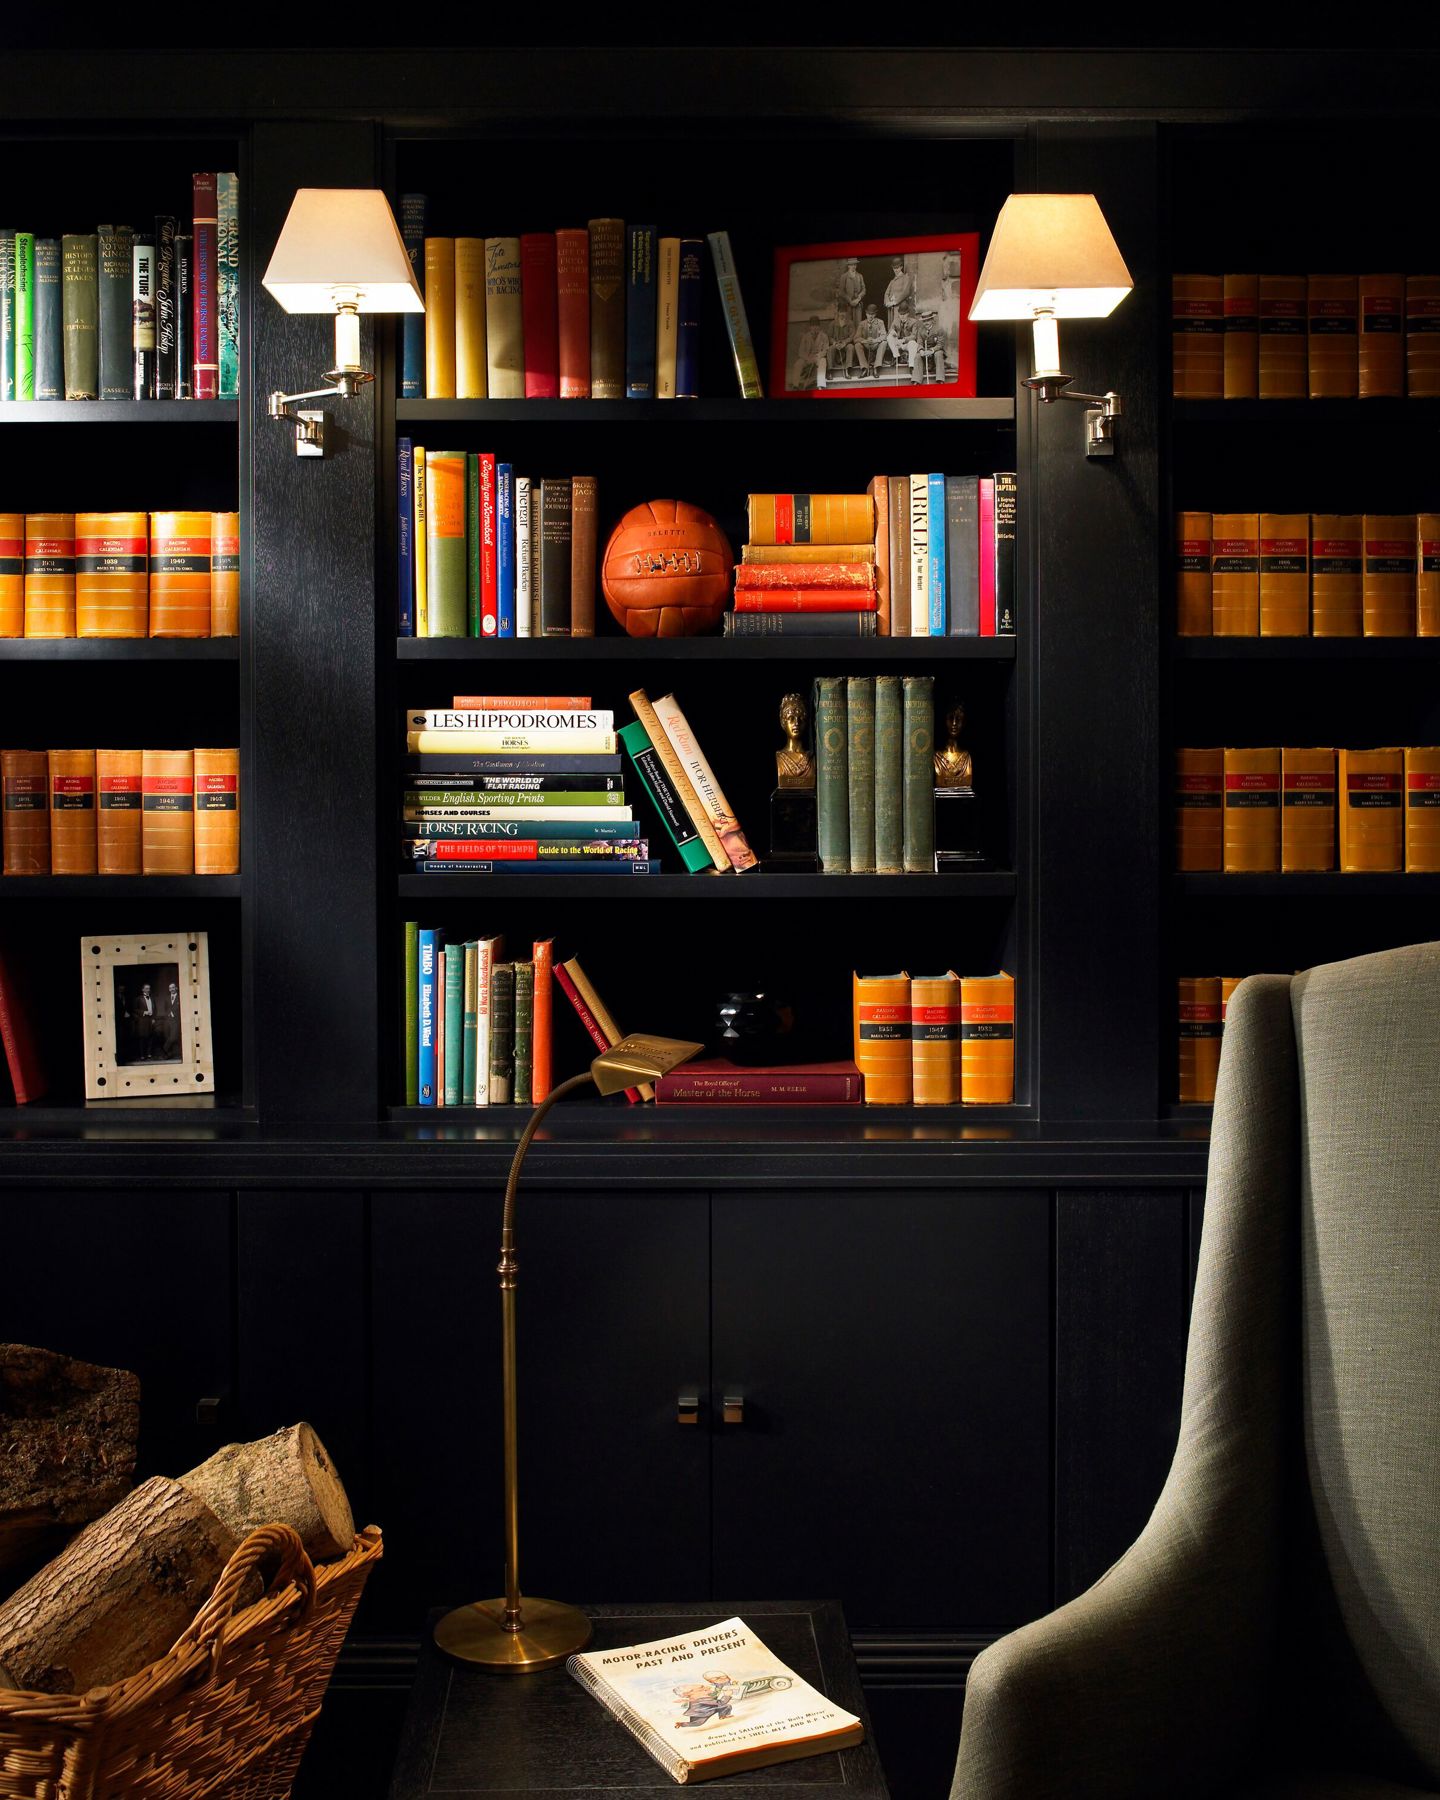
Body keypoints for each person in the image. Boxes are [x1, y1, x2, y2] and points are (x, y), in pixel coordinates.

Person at [791, 316, 830, 390]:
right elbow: (801, 352)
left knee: (823, 361)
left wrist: (819, 355)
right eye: (813, 326)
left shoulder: (824, 336)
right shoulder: (806, 337)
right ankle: (795, 385)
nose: (815, 328)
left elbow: (826, 349)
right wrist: (807, 358)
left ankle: (820, 384)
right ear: (810, 327)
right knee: (798, 364)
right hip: (808, 357)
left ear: (819, 327)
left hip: (818, 356)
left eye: (816, 326)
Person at [832, 256, 865, 337]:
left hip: (857, 304)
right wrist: (850, 300)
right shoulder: (844, 276)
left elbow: (864, 289)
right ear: (848, 266)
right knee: (849, 322)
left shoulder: (859, 276)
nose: (853, 266)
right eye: (851, 265)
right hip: (848, 305)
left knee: (858, 323)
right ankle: (849, 341)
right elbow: (841, 291)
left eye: (855, 265)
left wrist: (859, 298)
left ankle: (857, 340)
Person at [855, 303, 887, 377]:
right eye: (869, 314)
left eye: (872, 314)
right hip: (866, 345)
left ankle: (876, 367)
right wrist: (865, 341)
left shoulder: (880, 322)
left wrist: (875, 340)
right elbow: (856, 338)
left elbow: (884, 336)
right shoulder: (862, 324)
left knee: (884, 343)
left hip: (876, 345)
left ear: (875, 314)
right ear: (866, 314)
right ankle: (864, 368)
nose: (870, 316)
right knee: (857, 345)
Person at [883, 256, 914, 328]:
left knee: (899, 324)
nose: (896, 270)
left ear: (901, 267)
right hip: (891, 307)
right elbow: (886, 293)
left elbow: (906, 292)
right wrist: (888, 302)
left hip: (900, 306)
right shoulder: (892, 281)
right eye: (894, 268)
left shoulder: (905, 277)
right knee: (891, 325)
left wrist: (895, 301)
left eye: (897, 268)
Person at [131, 982, 156, 1059]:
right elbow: (134, 1009)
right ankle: (142, 1055)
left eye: (149, 988)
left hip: (150, 1020)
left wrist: (154, 1018)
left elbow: (155, 1009)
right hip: (142, 1021)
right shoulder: (138, 999)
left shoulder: (152, 998)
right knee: (142, 1038)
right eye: (146, 988)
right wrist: (144, 1012)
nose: (148, 990)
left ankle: (149, 1054)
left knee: (150, 1037)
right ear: (143, 990)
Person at [157, 980, 182, 1058]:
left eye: (173, 987)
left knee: (174, 1037)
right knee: (168, 1037)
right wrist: (168, 1014)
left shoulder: (180, 997)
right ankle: (168, 1054)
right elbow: (166, 1008)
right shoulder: (167, 998)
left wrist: (174, 1014)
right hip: (168, 1021)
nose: (172, 989)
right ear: (169, 989)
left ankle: (163, 1050)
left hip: (177, 1020)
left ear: (176, 988)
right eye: (170, 988)